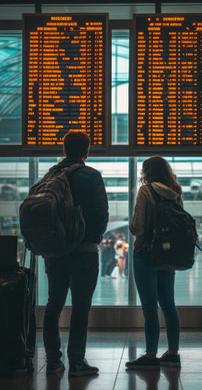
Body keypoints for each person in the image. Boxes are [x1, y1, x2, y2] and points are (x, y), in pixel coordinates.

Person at [43, 131, 109, 376]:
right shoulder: (91, 176)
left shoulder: (51, 175)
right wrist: (93, 238)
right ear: (86, 152)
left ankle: (52, 361)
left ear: (64, 150)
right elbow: (102, 213)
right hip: (84, 252)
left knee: (53, 305)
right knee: (81, 308)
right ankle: (77, 362)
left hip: (55, 252)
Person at [126, 156, 181, 370]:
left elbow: (137, 226)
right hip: (169, 257)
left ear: (147, 172)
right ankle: (173, 354)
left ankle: (151, 355)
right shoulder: (175, 192)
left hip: (146, 254)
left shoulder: (146, 191)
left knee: (149, 307)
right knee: (168, 304)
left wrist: (135, 231)